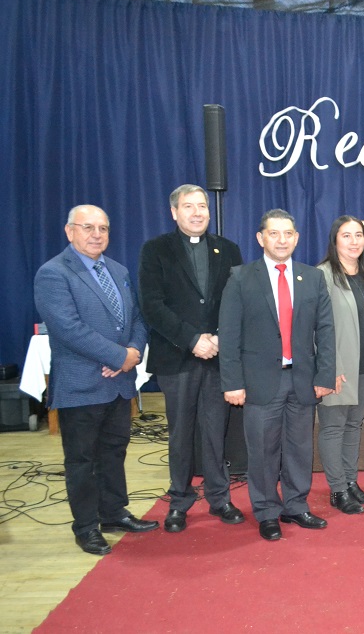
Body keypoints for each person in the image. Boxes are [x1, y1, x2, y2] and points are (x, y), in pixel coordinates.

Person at [34, 205, 158, 555]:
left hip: (118, 384)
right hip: (81, 385)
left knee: (113, 452)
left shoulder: (116, 270)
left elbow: (136, 318)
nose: (96, 234)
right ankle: (86, 527)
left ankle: (114, 513)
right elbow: (68, 329)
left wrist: (132, 352)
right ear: (69, 231)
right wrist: (119, 357)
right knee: (82, 460)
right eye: (87, 227)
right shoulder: (53, 273)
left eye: (102, 228)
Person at [219, 209, 337, 541]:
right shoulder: (241, 278)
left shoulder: (312, 277)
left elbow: (325, 331)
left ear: (297, 238)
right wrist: (232, 382)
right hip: (258, 383)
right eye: (274, 233)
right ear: (261, 238)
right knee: (262, 451)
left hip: (302, 380)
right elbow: (229, 336)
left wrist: (324, 375)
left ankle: (296, 506)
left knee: (300, 448)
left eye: (288, 233)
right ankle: (267, 511)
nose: (282, 240)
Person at [138, 185, 246, 534]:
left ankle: (219, 498)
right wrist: (192, 339)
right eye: (189, 206)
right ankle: (180, 502)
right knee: (181, 434)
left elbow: (237, 301)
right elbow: (152, 305)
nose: (197, 212)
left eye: (202, 206)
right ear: (174, 212)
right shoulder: (155, 250)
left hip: (217, 357)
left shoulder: (228, 249)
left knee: (216, 433)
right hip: (178, 358)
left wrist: (217, 337)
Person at [315, 216, 364, 515]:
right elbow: (314, 328)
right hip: (339, 367)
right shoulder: (322, 276)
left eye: (358, 235)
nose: (354, 241)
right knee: (333, 427)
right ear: (334, 241)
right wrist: (327, 367)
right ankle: (337, 490)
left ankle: (349, 481)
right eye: (346, 236)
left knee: (353, 425)